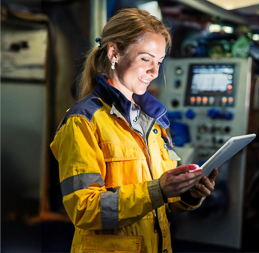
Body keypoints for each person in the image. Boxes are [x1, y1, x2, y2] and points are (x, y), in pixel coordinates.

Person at [50, 8, 218, 253]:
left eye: (159, 62)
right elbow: (84, 210)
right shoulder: (82, 121)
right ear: (114, 53)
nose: (154, 72)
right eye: (145, 59)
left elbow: (165, 200)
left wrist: (189, 193)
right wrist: (157, 189)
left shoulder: (154, 121)